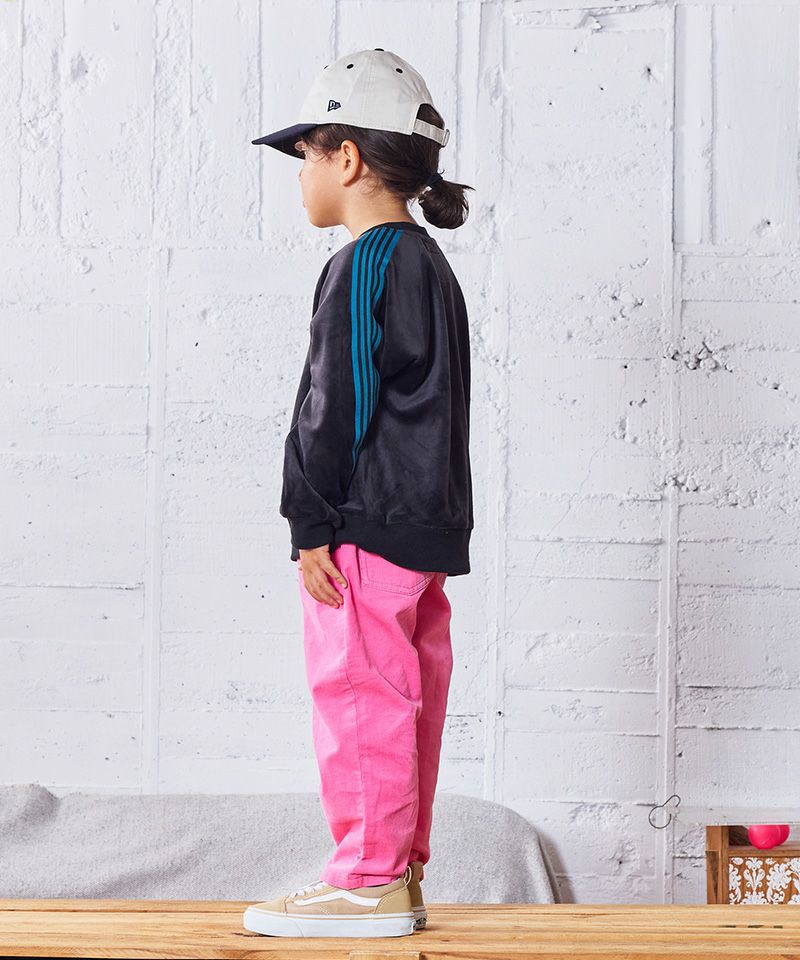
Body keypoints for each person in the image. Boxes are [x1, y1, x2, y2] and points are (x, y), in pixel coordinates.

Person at [243, 48, 474, 940]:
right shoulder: (429, 264)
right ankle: (398, 872)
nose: (301, 173)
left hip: (364, 529)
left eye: (305, 153)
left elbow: (334, 403)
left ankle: (368, 880)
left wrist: (310, 520)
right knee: (408, 699)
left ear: (346, 158)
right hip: (421, 529)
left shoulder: (366, 263)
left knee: (359, 697)